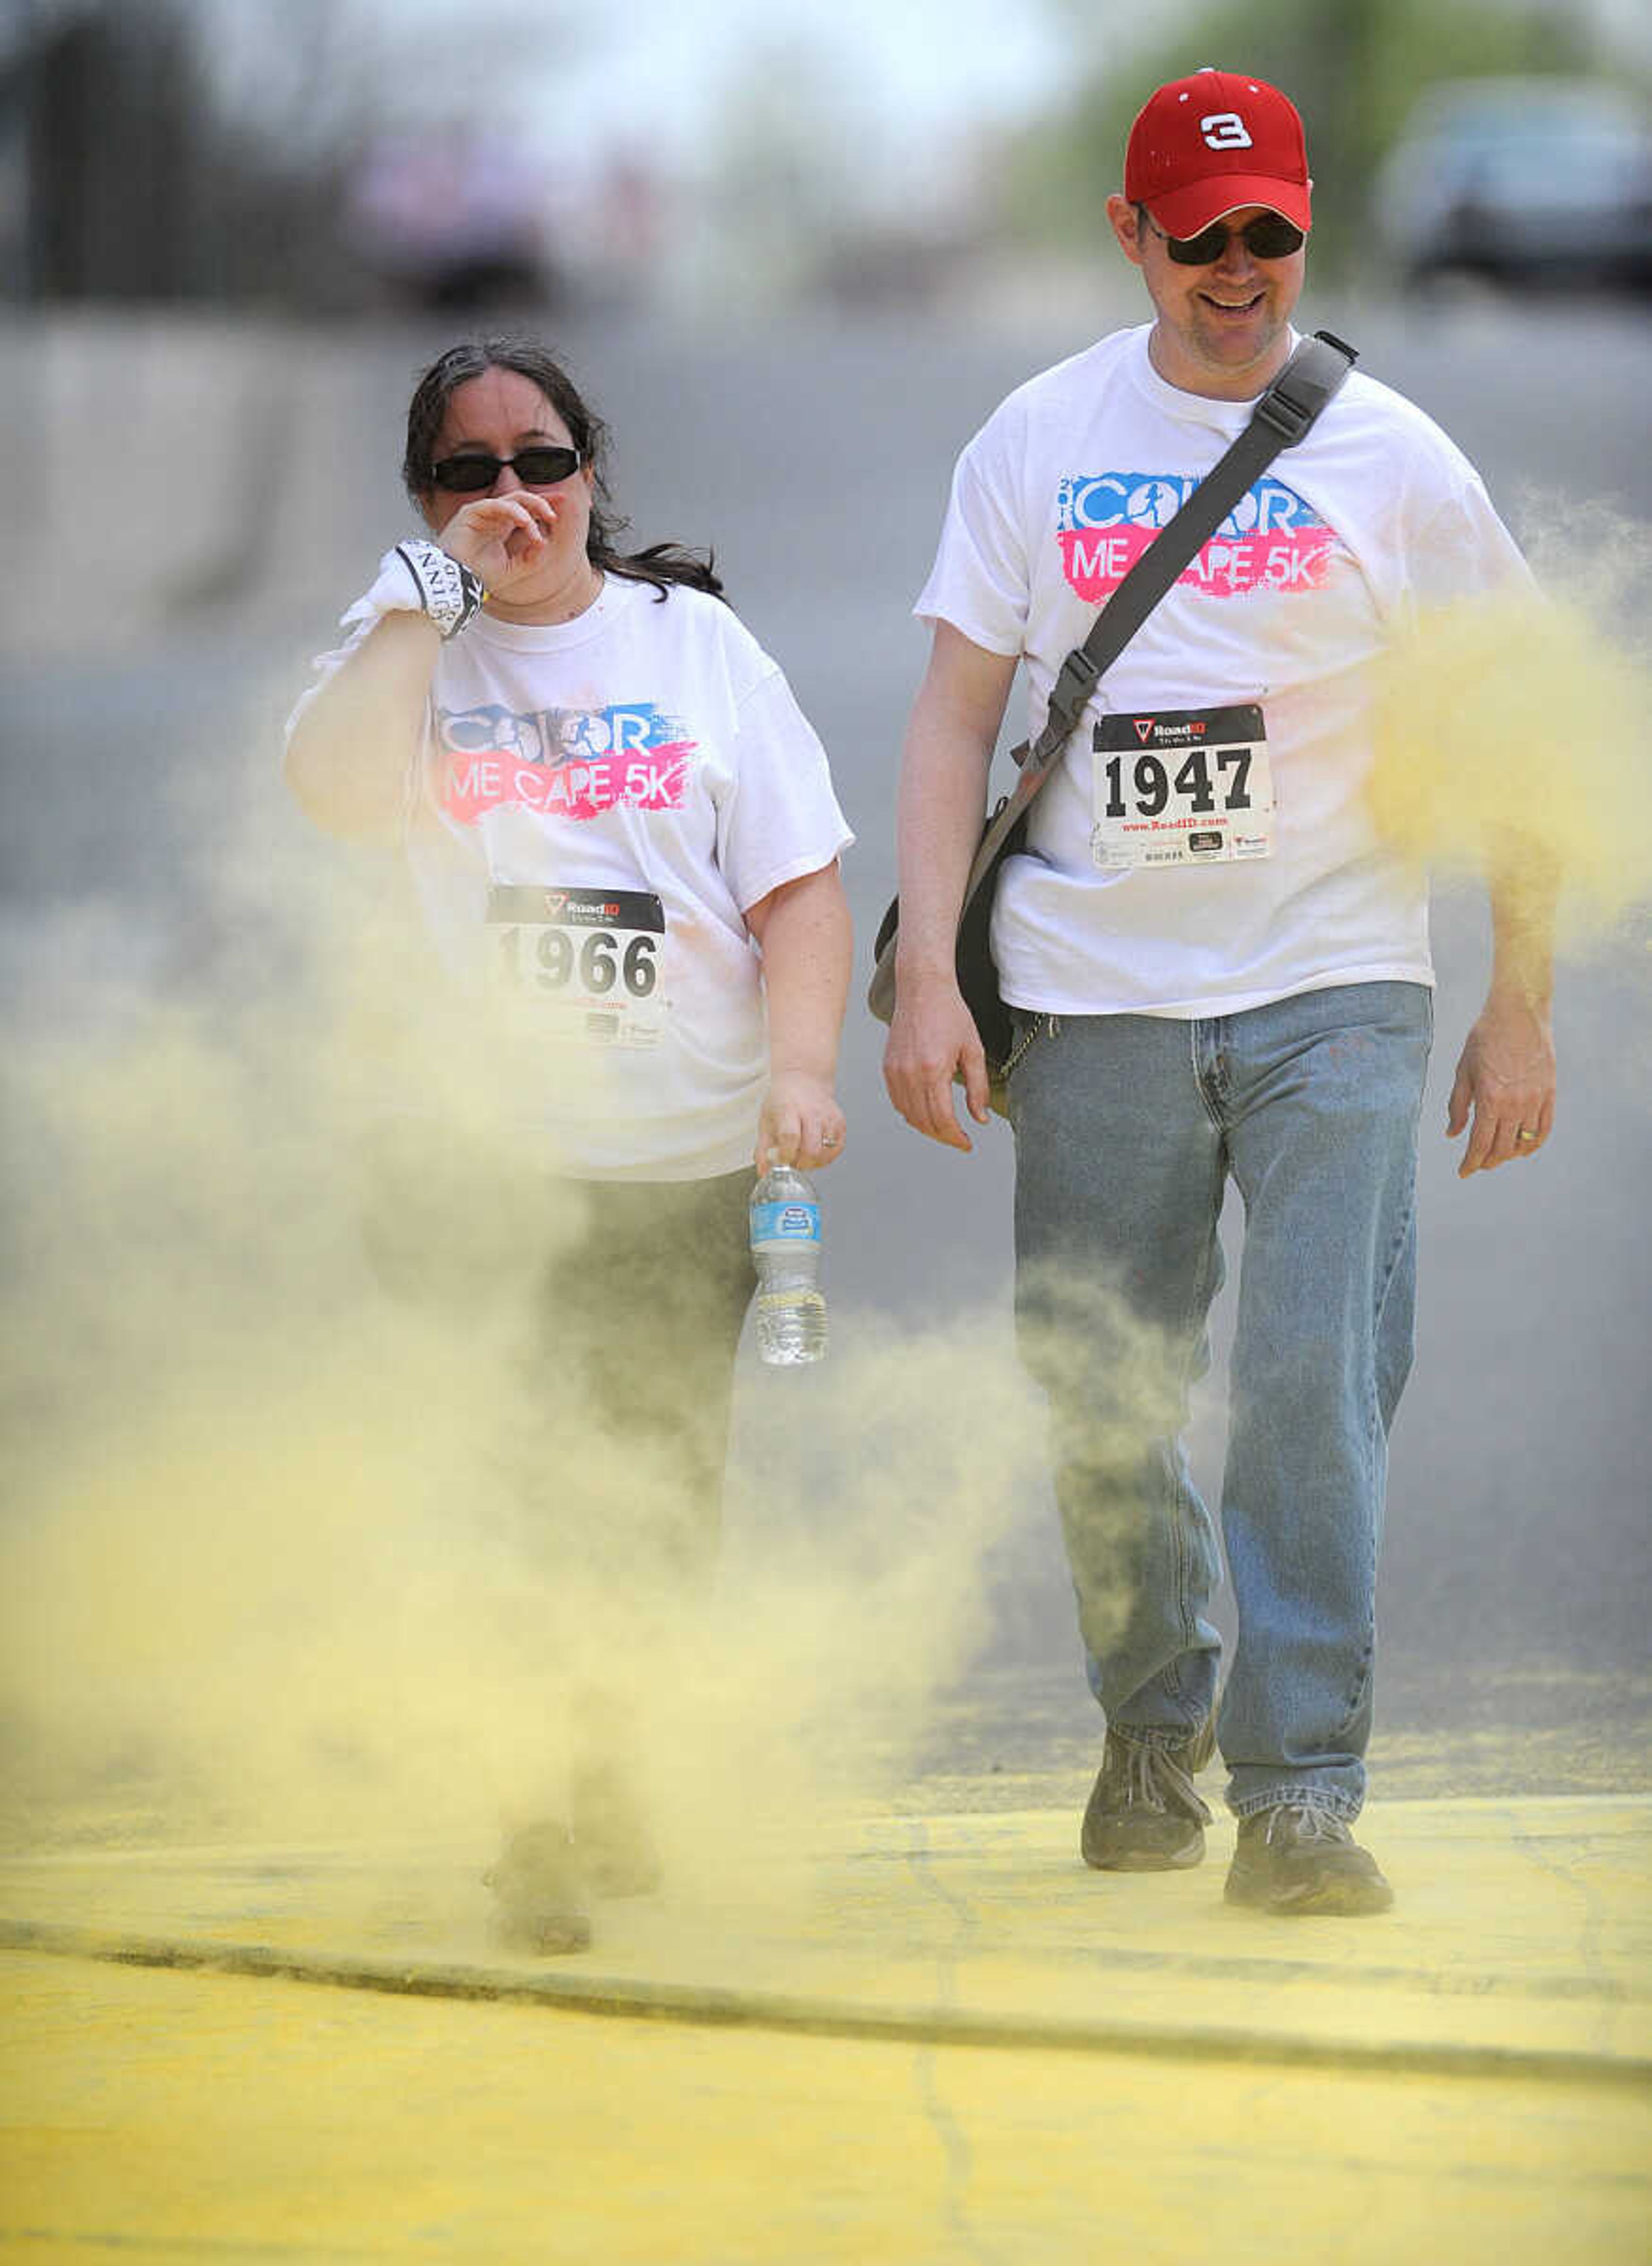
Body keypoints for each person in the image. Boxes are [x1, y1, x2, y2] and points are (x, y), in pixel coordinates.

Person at [882, 71, 1556, 1916]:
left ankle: (1303, 1792)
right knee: (1102, 1388)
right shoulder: (1034, 437)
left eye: (1270, 233)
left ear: (1303, 233)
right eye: (1203, 237)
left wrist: (1521, 1002)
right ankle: (1149, 1722)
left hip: (1340, 979)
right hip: (1094, 988)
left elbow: (1521, 736)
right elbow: (954, 719)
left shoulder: (1396, 460)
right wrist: (926, 980)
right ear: (1135, 239)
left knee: (1311, 1386)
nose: (1240, 270)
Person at [285, 339, 853, 1948]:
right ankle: (529, 1810)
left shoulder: (699, 648)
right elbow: (332, 795)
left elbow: (798, 888)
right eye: (470, 473)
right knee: (515, 1478)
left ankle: (609, 1765)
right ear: (427, 498)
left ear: (592, 469)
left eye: (539, 461)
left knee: (662, 1495)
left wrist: (799, 1070)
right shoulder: (400, 642)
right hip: (478, 1162)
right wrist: (425, 604)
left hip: (682, 1157)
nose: (511, 498)